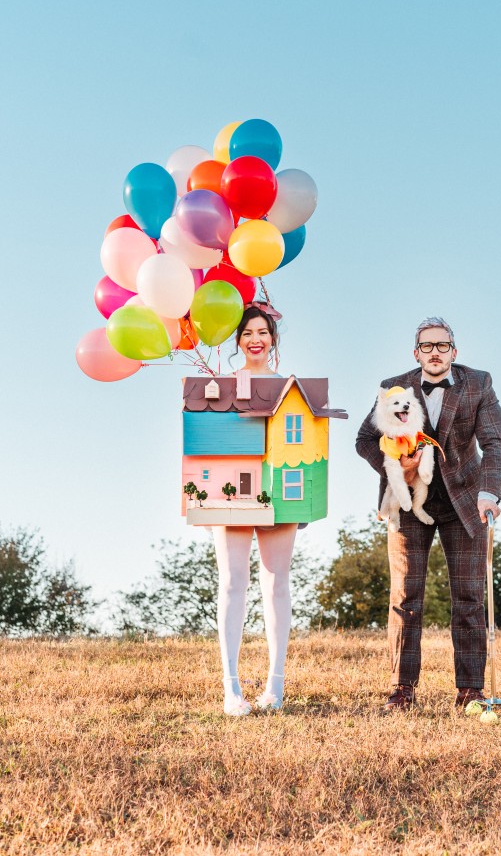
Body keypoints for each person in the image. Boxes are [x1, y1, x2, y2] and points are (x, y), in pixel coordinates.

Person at [355, 317, 501, 711]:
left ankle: (471, 690)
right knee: (406, 594)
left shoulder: (479, 383)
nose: (435, 352)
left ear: (454, 352)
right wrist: (396, 466)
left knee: (471, 597)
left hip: (466, 501)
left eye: (443, 345)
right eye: (427, 346)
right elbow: (364, 439)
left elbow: (495, 443)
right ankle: (402, 689)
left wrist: (490, 492)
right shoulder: (395, 386)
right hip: (408, 500)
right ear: (416, 353)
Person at [212, 304, 297, 717]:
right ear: (238, 340)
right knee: (231, 581)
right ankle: (232, 689)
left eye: (262, 332)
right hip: (232, 493)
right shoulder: (222, 384)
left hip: (280, 490)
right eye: (247, 333)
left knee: (276, 581)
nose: (255, 339)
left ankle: (274, 686)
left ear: (273, 339)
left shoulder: (289, 387)